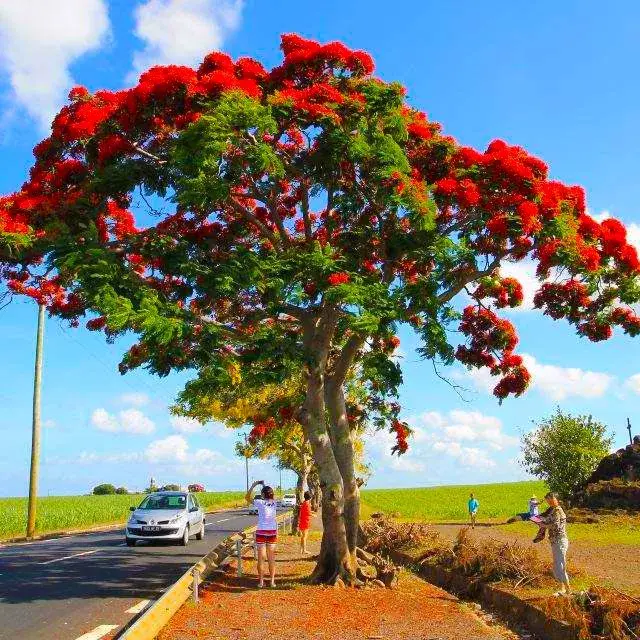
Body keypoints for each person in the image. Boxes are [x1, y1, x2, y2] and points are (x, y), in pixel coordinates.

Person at [536, 492, 570, 596]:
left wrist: (543, 525)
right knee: (556, 566)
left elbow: (556, 526)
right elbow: (544, 518)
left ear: (557, 499)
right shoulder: (552, 510)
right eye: (548, 499)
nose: (549, 500)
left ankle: (568, 590)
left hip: (560, 540)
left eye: (551, 498)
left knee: (560, 565)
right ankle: (562, 588)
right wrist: (539, 520)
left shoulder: (558, 511)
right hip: (555, 541)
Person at [245, 480, 277, 588]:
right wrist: (264, 485)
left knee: (261, 558)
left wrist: (254, 485)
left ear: (263, 494)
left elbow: (247, 497)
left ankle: (261, 582)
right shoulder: (274, 503)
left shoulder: (260, 502)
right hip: (272, 532)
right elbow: (268, 493)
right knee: (271, 558)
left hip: (261, 532)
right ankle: (272, 582)